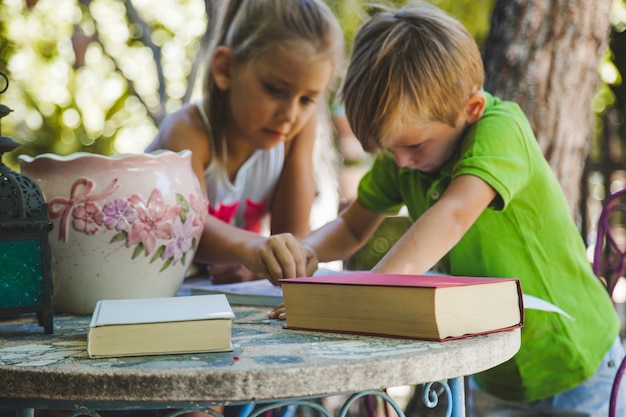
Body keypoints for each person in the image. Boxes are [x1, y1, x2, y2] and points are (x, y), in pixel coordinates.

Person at [269, 2, 626, 416]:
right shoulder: (406, 155)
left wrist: (358, 300)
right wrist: (305, 250)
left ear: (470, 109)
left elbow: (453, 214)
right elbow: (352, 228)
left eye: (414, 145)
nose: (400, 161)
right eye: (390, 147)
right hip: (491, 368)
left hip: (576, 363)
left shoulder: (500, 128)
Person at [146, 0, 343, 284]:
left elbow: (290, 237)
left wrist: (262, 261)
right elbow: (186, 226)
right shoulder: (187, 132)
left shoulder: (297, 129)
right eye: (275, 90)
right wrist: (248, 249)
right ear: (225, 69)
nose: (290, 114)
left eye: (307, 99)